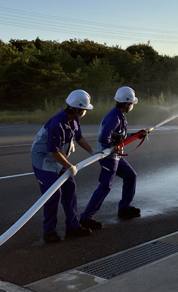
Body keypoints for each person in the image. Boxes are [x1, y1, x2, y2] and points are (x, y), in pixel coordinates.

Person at [31, 89, 98, 243]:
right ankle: (49, 231)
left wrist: (92, 151)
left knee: (70, 189)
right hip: (44, 161)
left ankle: (73, 226)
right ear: (78, 110)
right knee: (52, 195)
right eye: (84, 110)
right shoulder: (57, 124)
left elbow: (79, 137)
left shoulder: (73, 120)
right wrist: (70, 166)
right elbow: (54, 152)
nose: (84, 112)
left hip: (58, 159)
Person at [80, 86, 146, 229]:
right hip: (108, 157)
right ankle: (86, 217)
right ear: (127, 103)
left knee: (131, 176)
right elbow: (105, 139)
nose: (132, 106)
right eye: (132, 103)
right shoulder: (113, 117)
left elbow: (121, 137)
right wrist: (115, 142)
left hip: (115, 156)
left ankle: (125, 207)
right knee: (105, 186)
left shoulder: (120, 116)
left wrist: (136, 135)